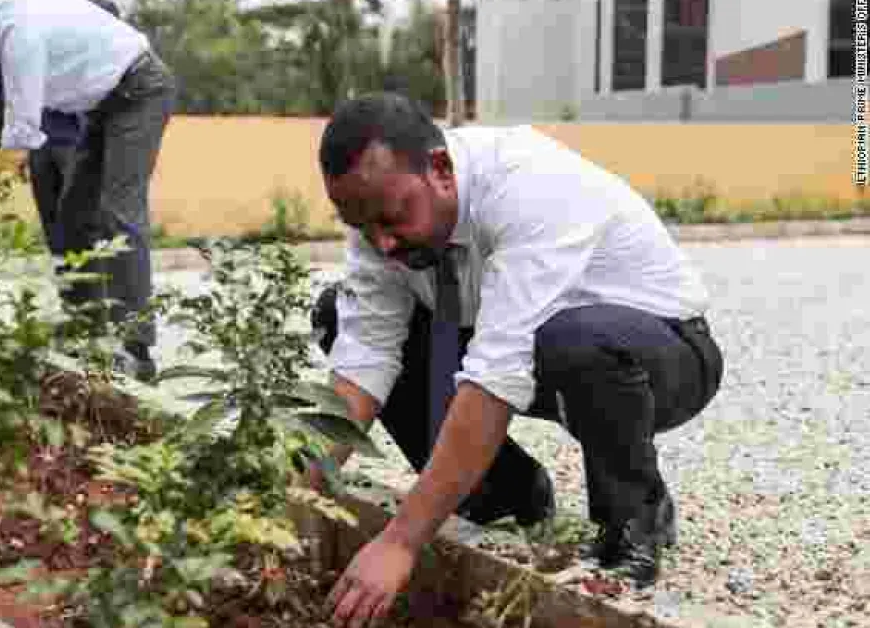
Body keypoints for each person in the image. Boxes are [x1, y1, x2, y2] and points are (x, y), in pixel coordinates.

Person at [308, 93, 723, 627]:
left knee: (571, 340)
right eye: (363, 226)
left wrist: (401, 541)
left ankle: (635, 520)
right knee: (337, 315)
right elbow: (361, 365)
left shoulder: (527, 186)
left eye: (392, 219)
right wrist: (288, 497)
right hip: (530, 346)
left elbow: (494, 377)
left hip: (663, 351)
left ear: (439, 170)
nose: (381, 243)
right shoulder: (381, 220)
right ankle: (508, 494)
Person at [0, 0, 176, 382]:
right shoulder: (3, 30)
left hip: (140, 90)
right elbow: (7, 102)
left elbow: (22, 125)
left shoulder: (16, 27)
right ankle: (86, 331)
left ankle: (135, 349)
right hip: (104, 105)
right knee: (73, 216)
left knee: (118, 211)